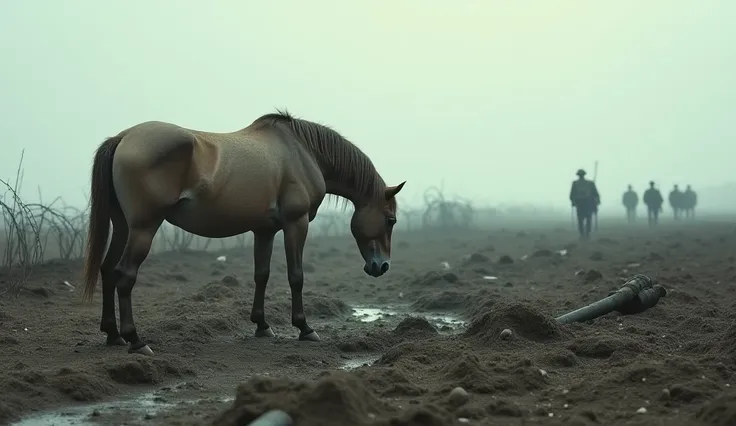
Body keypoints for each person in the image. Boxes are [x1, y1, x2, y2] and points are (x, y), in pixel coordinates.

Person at [569, 169, 600, 239]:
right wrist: (597, 202)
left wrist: (573, 202)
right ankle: (586, 233)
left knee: (581, 219)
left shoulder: (575, 183)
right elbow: (596, 194)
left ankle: (583, 233)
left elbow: (571, 195)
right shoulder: (590, 183)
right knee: (588, 219)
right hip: (587, 203)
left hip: (581, 203)